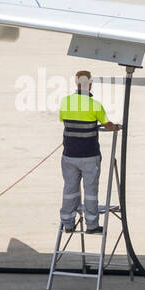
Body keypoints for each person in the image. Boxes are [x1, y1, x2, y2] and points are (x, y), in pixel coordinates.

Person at [58, 70, 120, 233]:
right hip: (89, 156)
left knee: (70, 189)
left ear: (76, 83)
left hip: (69, 155)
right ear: (90, 84)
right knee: (91, 191)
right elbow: (107, 124)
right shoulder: (95, 105)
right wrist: (115, 127)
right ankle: (91, 225)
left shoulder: (66, 102)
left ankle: (68, 222)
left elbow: (63, 119)